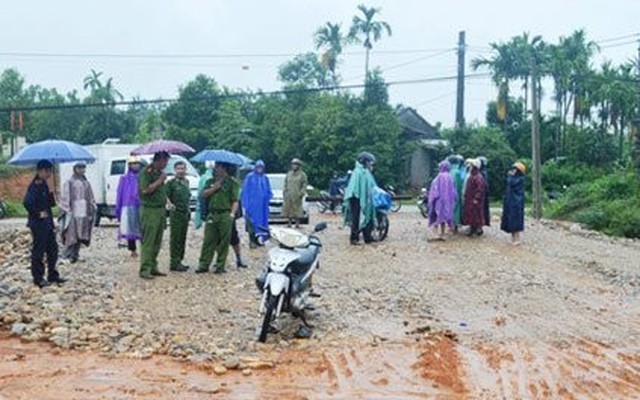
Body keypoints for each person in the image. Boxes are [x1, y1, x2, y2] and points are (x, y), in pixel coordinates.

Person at [23, 160, 66, 288]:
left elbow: (47, 203)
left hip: (47, 223)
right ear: (39, 171)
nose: (49, 174)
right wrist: (38, 213)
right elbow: (27, 203)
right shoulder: (34, 185)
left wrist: (52, 198)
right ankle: (38, 278)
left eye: (50, 171)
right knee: (39, 251)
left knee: (53, 249)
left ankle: (52, 274)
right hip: (38, 224)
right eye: (47, 171)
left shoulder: (44, 184)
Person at [196, 161, 247, 268]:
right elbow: (203, 195)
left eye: (217, 167)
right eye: (215, 167)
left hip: (225, 214)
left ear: (224, 168)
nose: (215, 169)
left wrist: (232, 214)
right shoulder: (210, 181)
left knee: (226, 241)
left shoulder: (232, 183)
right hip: (212, 213)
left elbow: (235, 200)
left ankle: (220, 265)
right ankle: (203, 264)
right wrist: (214, 188)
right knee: (208, 240)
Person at [138, 151, 170, 280]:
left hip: (160, 210)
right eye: (164, 161)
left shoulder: (159, 173)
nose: (165, 164)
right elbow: (145, 190)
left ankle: (153, 266)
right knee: (149, 240)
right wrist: (160, 181)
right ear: (158, 160)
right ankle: (145, 269)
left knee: (157, 241)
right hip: (149, 210)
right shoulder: (147, 172)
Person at [59, 162, 96, 263]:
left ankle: (76, 254)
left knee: (81, 234)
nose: (82, 170)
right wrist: (66, 209)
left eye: (83, 168)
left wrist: (92, 208)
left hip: (84, 212)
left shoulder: (86, 183)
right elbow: (65, 197)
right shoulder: (69, 182)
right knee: (71, 234)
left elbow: (90, 197)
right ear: (75, 169)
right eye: (80, 168)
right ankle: (66, 255)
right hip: (73, 212)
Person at [344, 152, 377, 245]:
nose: (370, 164)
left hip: (365, 198)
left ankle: (367, 237)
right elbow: (355, 186)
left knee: (368, 215)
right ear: (364, 161)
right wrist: (358, 195)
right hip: (356, 197)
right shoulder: (358, 171)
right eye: (369, 162)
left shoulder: (365, 171)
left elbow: (370, 184)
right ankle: (354, 238)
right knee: (356, 218)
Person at [166, 161, 191, 272]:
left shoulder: (186, 182)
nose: (181, 171)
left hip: (185, 213)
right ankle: (174, 262)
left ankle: (180, 260)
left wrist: (189, 208)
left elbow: (187, 197)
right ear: (175, 170)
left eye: (183, 168)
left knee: (182, 237)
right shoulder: (171, 183)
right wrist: (169, 204)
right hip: (176, 213)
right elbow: (164, 194)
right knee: (175, 238)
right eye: (179, 169)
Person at [241, 160, 273, 248]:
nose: (260, 169)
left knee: (262, 224)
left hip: (262, 206)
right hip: (252, 206)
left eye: (261, 168)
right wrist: (246, 204)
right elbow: (245, 191)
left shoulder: (265, 178)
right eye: (258, 167)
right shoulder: (250, 177)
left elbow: (268, 190)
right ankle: (252, 241)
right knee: (252, 224)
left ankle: (260, 240)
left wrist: (268, 198)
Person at [116, 156, 142, 257]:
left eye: (137, 163)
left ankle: (144, 248)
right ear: (129, 166)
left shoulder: (142, 177)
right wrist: (119, 207)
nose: (136, 166)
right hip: (128, 205)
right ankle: (133, 249)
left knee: (141, 226)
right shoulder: (124, 178)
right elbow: (120, 193)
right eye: (133, 164)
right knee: (130, 227)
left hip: (141, 204)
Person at [428, 160, 457, 240]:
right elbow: (454, 190)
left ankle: (436, 233)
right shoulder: (450, 177)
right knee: (445, 216)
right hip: (448, 201)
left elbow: (434, 188)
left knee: (438, 216)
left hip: (439, 201)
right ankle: (443, 233)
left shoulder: (439, 176)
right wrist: (454, 199)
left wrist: (432, 198)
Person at [501, 162, 527, 245]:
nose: (514, 170)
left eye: (516, 169)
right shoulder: (513, 178)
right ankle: (513, 238)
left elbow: (512, 183)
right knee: (511, 220)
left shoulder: (520, 179)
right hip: (510, 201)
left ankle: (517, 238)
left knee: (516, 220)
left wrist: (510, 176)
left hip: (516, 202)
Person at [462, 159, 487, 236]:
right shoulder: (472, 176)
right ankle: (473, 228)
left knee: (476, 215)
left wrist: (476, 198)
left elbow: (480, 189)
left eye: (472, 166)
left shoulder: (478, 177)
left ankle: (475, 229)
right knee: (471, 214)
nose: (470, 167)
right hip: (469, 199)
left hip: (474, 200)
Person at [282, 158, 307, 228]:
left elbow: (304, 185)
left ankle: (297, 223)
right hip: (289, 194)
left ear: (299, 166)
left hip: (297, 194)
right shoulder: (289, 174)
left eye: (295, 164)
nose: (293, 166)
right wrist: (285, 191)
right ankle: (289, 222)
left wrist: (301, 193)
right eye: (292, 164)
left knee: (297, 209)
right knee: (288, 208)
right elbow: (285, 183)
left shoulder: (302, 175)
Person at [448, 155, 466, 233]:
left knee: (450, 209)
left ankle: (451, 226)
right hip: (457, 194)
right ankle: (455, 226)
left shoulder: (448, 172)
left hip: (448, 194)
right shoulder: (458, 172)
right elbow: (459, 185)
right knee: (456, 210)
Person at [478, 156, 491, 233]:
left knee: (481, 211)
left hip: (482, 196)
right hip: (483, 195)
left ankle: (480, 227)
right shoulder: (483, 172)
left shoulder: (482, 173)